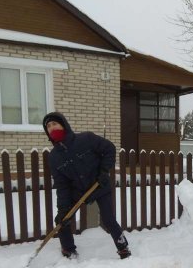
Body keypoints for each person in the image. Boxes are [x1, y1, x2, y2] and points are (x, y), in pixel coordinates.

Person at [42, 111, 131, 259]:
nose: (52, 128)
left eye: (55, 124)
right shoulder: (54, 157)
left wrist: (104, 171)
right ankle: (68, 250)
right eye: (48, 126)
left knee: (108, 219)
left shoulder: (86, 139)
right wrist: (63, 208)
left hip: (99, 184)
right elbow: (62, 184)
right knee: (62, 220)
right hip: (78, 191)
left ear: (63, 125)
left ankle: (123, 247)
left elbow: (109, 148)